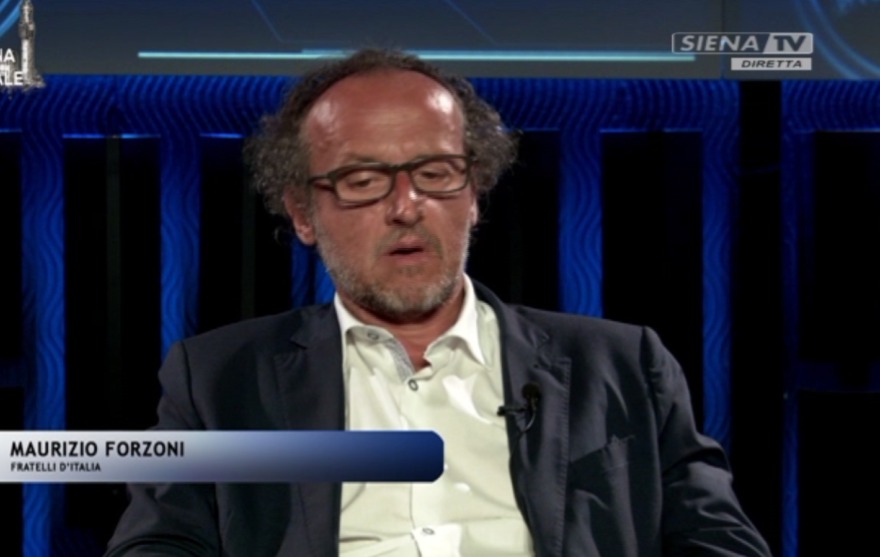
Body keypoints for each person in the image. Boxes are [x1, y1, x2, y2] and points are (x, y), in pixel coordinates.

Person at [105, 48, 770, 557]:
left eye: (435, 173)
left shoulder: (624, 365)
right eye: (363, 180)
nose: (407, 206)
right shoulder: (218, 378)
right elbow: (157, 543)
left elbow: (722, 543)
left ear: (474, 194)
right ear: (303, 212)